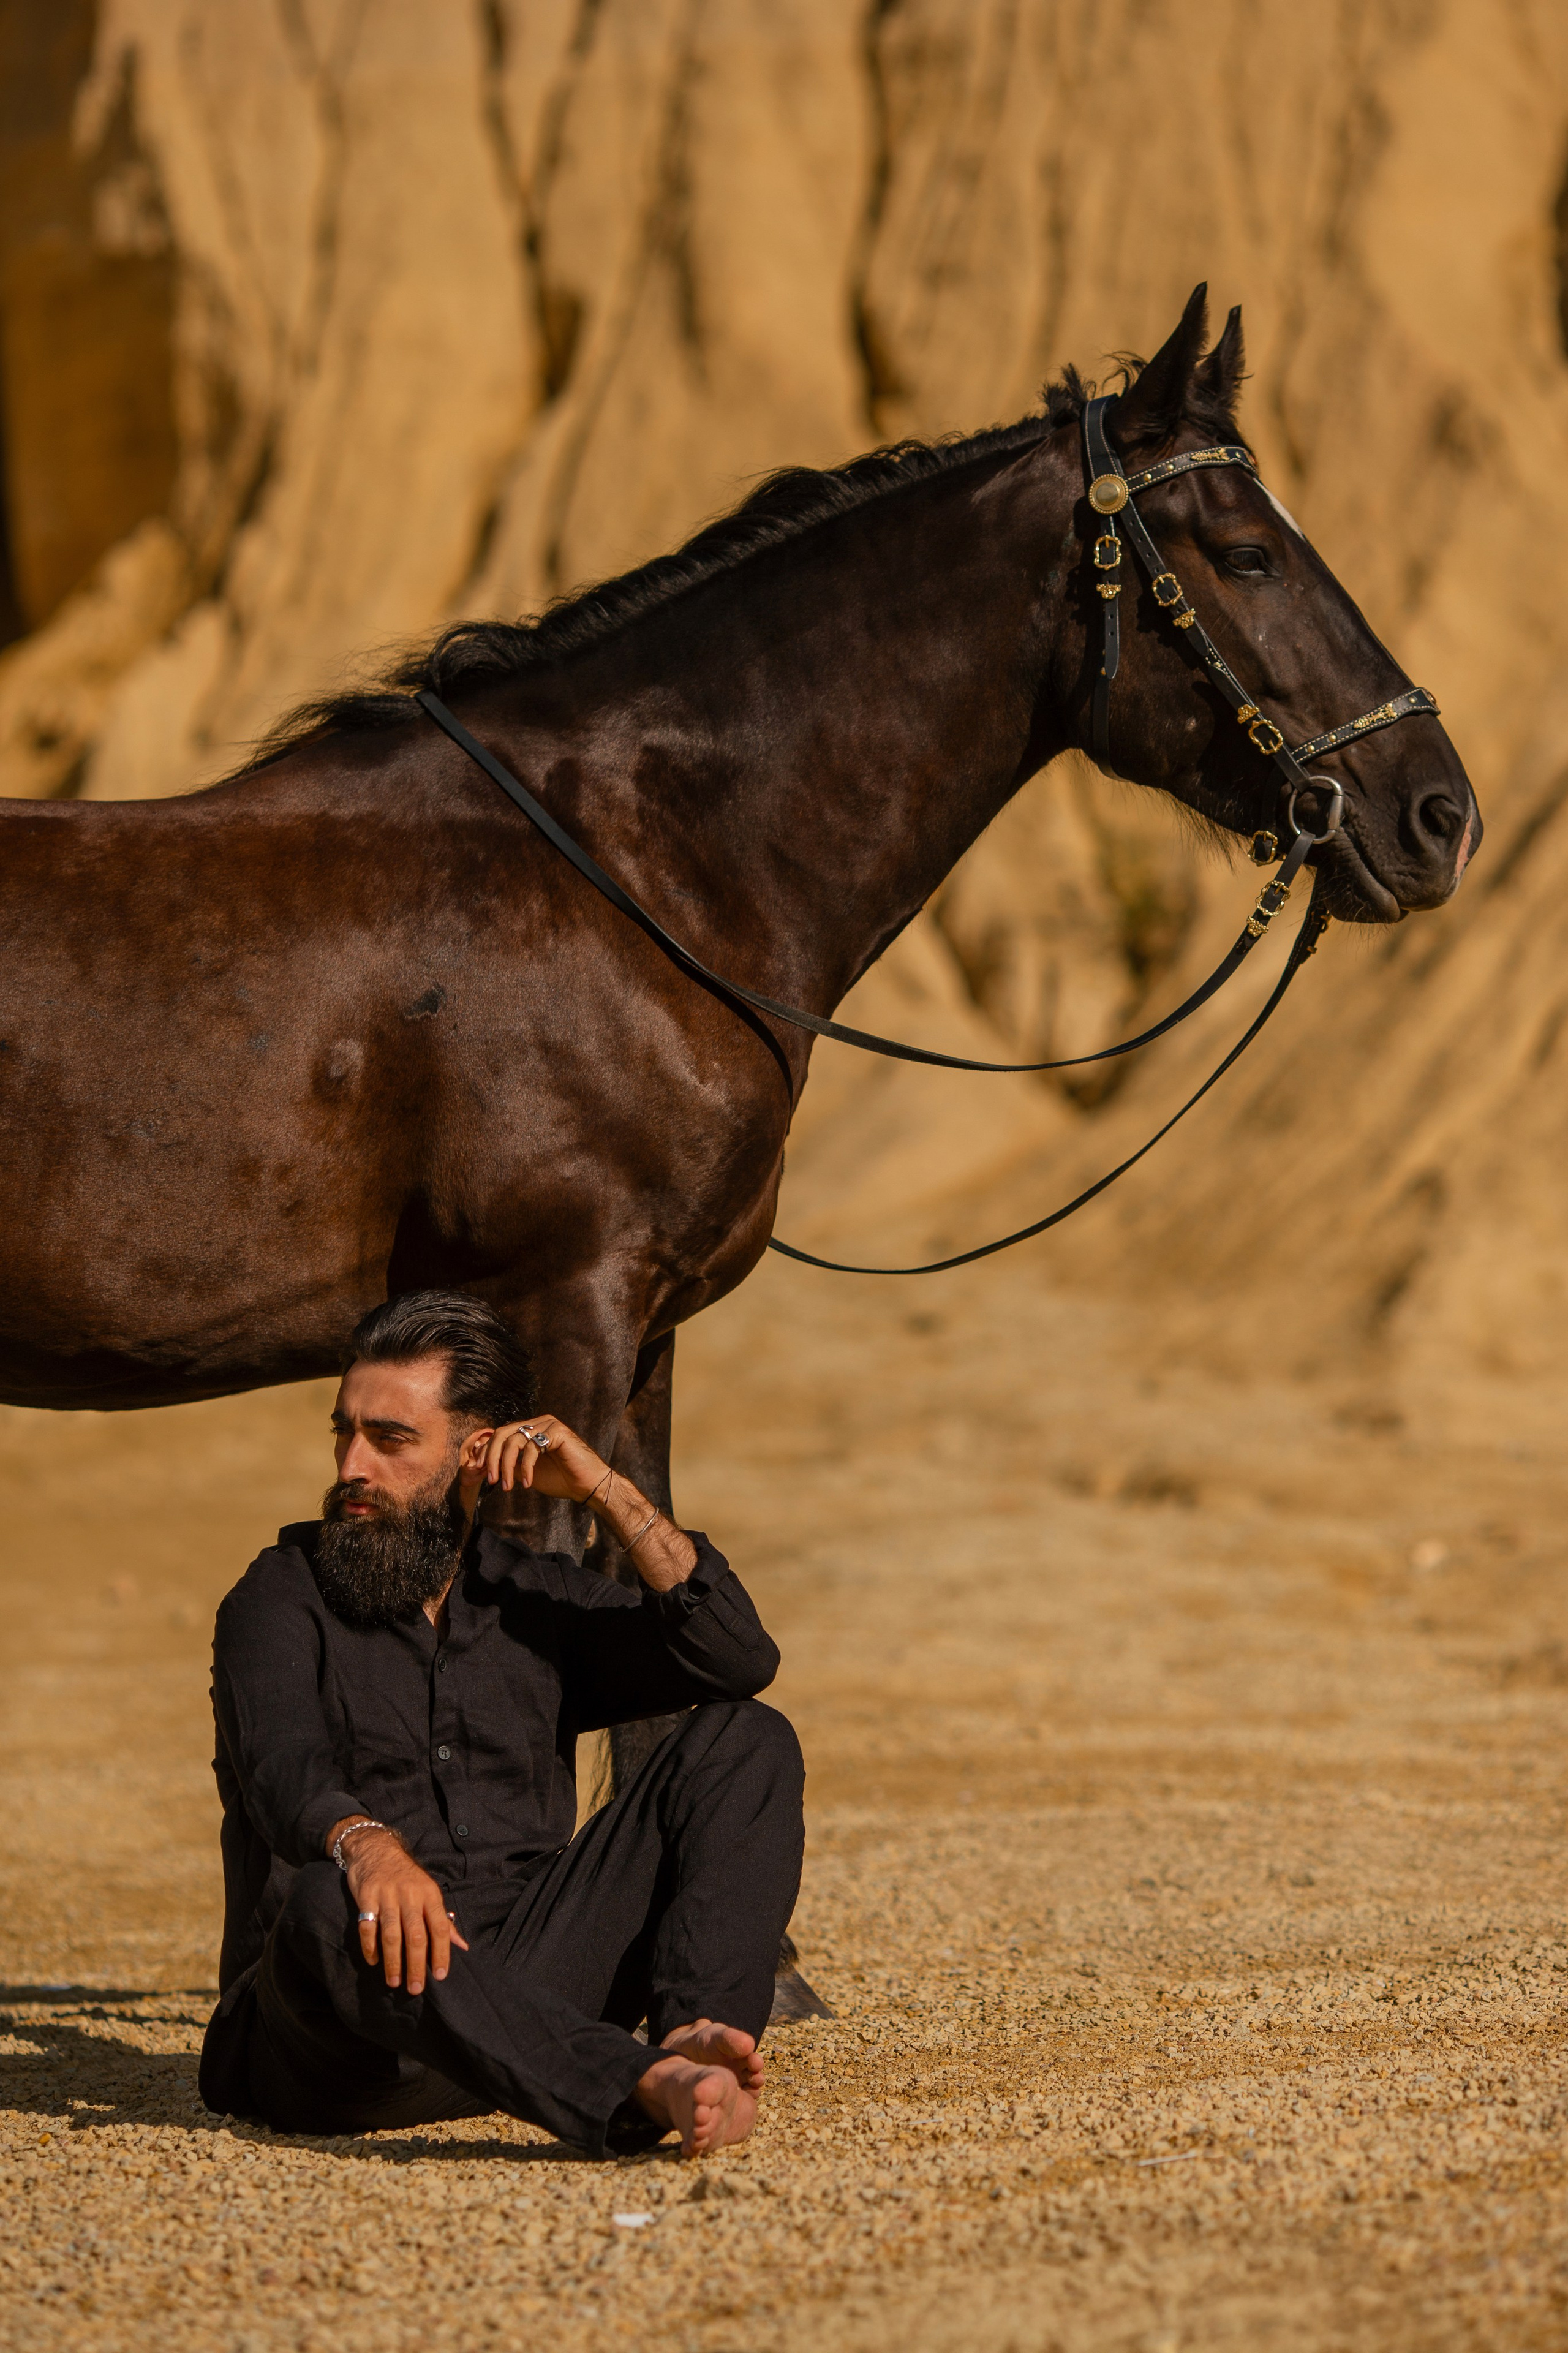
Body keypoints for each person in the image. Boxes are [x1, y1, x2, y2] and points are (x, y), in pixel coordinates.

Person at [198, 1290, 803, 2159]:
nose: (351, 1466)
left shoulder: (534, 1597)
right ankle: (626, 2083)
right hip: (352, 2036)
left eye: (391, 1438)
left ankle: (690, 2034)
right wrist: (367, 1843)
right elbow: (279, 1763)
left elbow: (736, 1657)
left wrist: (607, 1489)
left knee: (749, 1740)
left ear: (475, 1451)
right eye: (345, 1431)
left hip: (524, 1987)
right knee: (329, 1895)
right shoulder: (278, 1595)